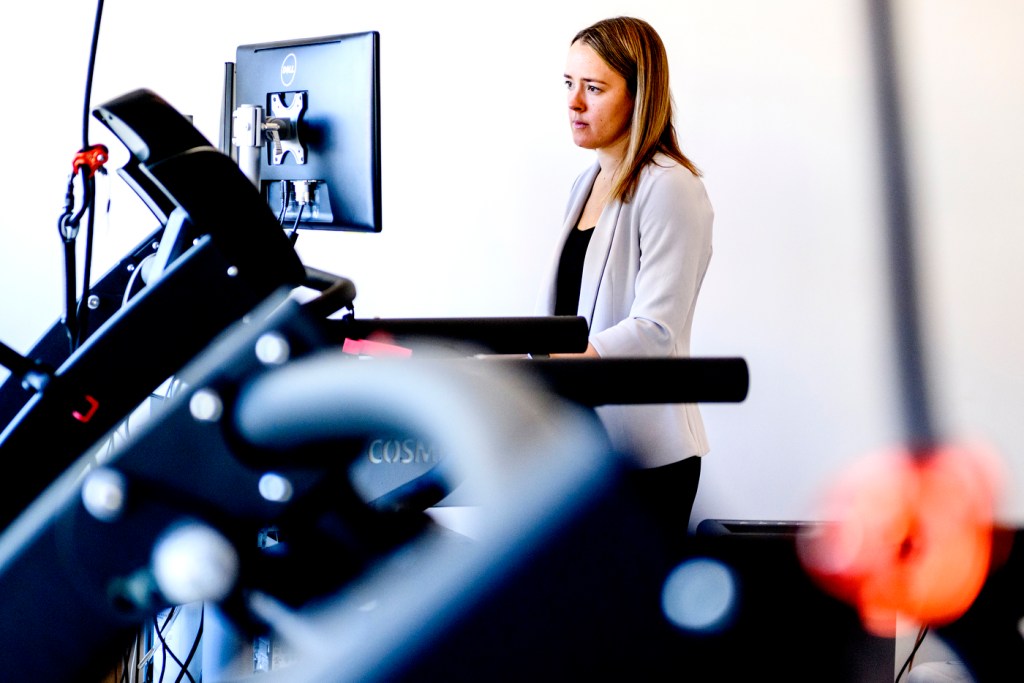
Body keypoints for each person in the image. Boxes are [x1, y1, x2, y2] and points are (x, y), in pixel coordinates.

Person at [535, 16, 714, 556]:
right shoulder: (585, 183)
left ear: (639, 96)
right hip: (580, 446)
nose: (574, 103)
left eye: (594, 88)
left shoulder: (671, 187)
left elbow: (655, 329)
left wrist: (548, 369)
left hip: (649, 458)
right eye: (569, 84)